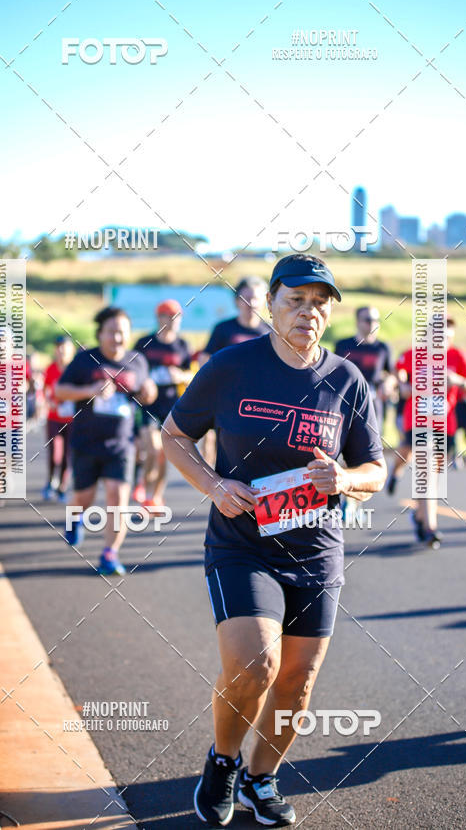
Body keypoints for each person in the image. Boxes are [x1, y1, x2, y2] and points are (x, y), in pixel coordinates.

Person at [162, 254, 386, 827]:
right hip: (242, 543)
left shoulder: (346, 379)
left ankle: (261, 778)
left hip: (316, 550)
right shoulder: (230, 366)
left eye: (319, 303)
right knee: (255, 665)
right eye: (295, 300)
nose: (308, 312)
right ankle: (223, 761)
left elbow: (375, 470)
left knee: (298, 682)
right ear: (271, 304)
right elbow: (175, 436)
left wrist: (347, 479)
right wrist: (214, 484)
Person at [55, 306, 157, 575]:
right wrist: (90, 390)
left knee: (117, 497)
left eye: (122, 333)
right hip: (86, 442)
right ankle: (74, 518)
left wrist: (150, 391)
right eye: (112, 332)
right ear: (100, 334)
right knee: (84, 497)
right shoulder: (84, 360)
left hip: (121, 444)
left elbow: (148, 393)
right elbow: (60, 391)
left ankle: (110, 554)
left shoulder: (138, 361)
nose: (118, 338)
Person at [387, 316, 466, 545]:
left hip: (444, 425)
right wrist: (401, 385)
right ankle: (430, 528)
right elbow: (397, 374)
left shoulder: (458, 357)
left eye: (448, 338)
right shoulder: (414, 354)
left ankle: (419, 516)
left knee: (432, 475)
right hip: (418, 421)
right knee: (426, 471)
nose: (443, 342)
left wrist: (458, 381)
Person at [199, 278, 270, 464]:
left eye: (256, 298)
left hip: (258, 401)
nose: (251, 303)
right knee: (217, 448)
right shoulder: (223, 329)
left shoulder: (271, 333)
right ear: (237, 301)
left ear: (265, 301)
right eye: (246, 298)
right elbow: (205, 359)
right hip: (225, 398)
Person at [134, 300, 193, 507]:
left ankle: (155, 497)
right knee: (153, 449)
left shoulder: (183, 345)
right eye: (170, 316)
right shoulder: (144, 342)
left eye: (178, 317)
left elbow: (192, 374)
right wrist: (145, 380)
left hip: (172, 406)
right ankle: (142, 481)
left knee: (163, 455)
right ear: (159, 318)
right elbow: (132, 370)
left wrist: (180, 375)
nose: (175, 321)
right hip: (147, 404)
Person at [334, 306, 395, 433]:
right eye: (368, 320)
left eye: (376, 320)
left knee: (371, 440)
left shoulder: (383, 348)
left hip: (373, 402)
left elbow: (392, 374)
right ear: (357, 322)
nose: (373, 323)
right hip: (345, 400)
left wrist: (388, 384)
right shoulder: (343, 345)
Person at [42, 336, 76, 501]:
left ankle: (63, 487)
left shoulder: (76, 369)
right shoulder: (50, 369)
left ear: (71, 350)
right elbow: (46, 390)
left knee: (67, 455)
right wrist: (50, 402)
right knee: (54, 452)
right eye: (58, 347)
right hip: (54, 418)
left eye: (65, 347)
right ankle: (50, 482)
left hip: (72, 420)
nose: (61, 350)